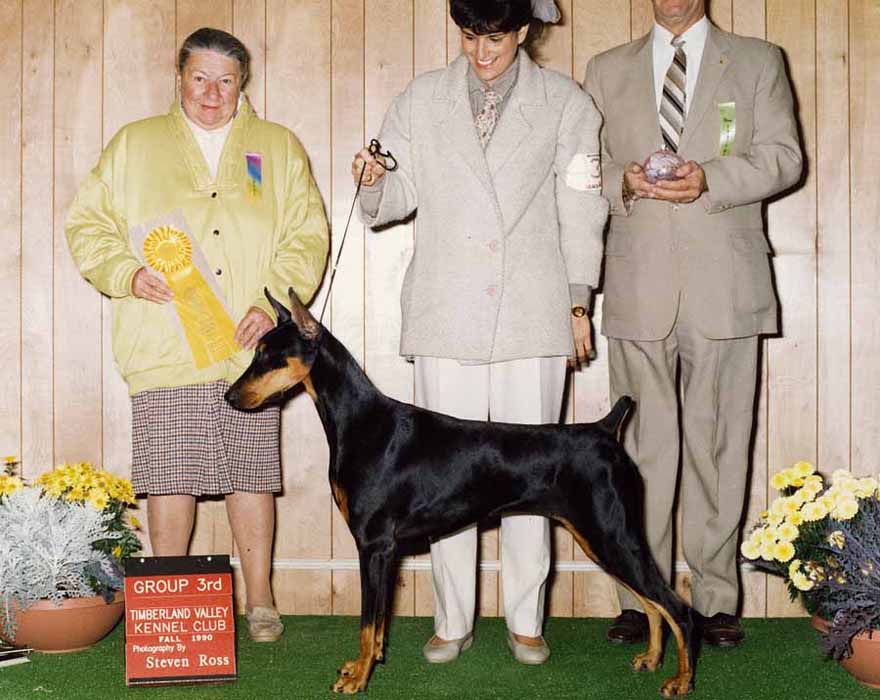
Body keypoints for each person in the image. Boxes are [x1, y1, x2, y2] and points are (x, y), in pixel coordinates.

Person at [352, 0, 608, 665]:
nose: (481, 50)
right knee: (441, 480)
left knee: (533, 477)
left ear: (524, 31)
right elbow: (393, 197)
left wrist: (578, 303)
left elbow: (582, 207)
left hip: (534, 312)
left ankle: (527, 618)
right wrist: (375, 179)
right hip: (445, 313)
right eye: (469, 35)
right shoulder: (418, 100)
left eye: (494, 36)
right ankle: (452, 618)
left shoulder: (566, 102)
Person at [66, 27, 329, 642]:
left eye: (226, 79)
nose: (212, 92)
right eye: (200, 77)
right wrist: (126, 273)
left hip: (248, 348)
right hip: (164, 341)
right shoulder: (134, 144)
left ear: (244, 84)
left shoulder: (276, 148)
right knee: (170, 474)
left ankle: (260, 601)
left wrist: (275, 307)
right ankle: (167, 601)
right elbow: (88, 224)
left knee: (250, 473)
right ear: (178, 77)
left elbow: (307, 233)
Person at [583, 0, 802, 647]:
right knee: (638, 454)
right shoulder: (604, 69)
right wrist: (620, 182)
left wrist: (714, 178)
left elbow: (785, 157)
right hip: (636, 284)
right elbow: (580, 174)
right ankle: (639, 593)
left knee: (719, 447)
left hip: (726, 287)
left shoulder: (760, 62)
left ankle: (715, 599)